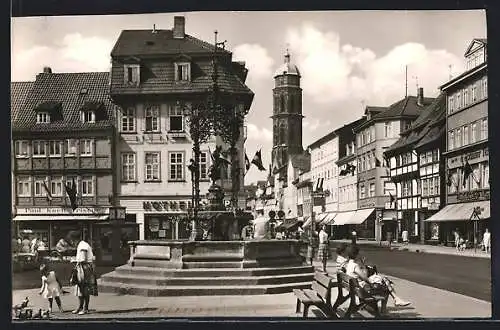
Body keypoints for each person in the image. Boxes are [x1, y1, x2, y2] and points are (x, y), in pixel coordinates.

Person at [345, 244, 410, 314]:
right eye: (358, 253)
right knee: (386, 284)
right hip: (363, 290)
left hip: (356, 288)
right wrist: (363, 265)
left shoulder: (349, 264)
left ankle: (396, 299)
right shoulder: (355, 266)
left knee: (385, 282)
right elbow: (365, 277)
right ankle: (389, 305)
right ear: (356, 255)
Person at [70, 233, 98, 315]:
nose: (72, 243)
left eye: (72, 241)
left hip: (85, 269)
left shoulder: (83, 246)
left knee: (84, 289)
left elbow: (83, 258)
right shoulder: (81, 245)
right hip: (82, 268)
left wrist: (74, 260)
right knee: (79, 289)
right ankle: (80, 307)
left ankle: (85, 308)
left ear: (75, 240)